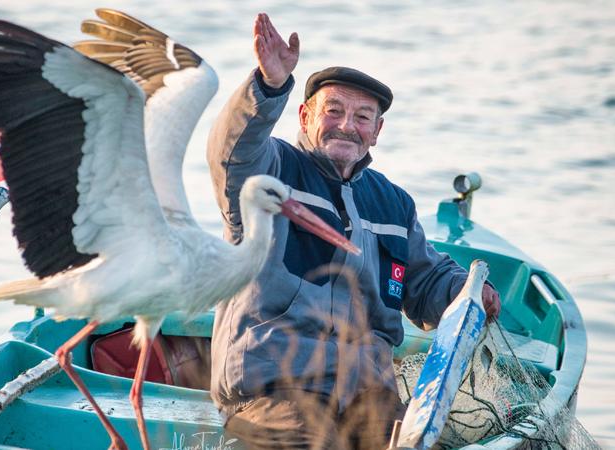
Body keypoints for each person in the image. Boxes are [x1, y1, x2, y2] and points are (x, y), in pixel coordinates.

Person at [207, 13, 501, 450]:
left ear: (377, 132)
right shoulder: (272, 170)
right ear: (305, 116)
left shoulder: (393, 202)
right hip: (276, 392)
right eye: (334, 111)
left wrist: (467, 292)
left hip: (369, 398)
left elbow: (425, 280)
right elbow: (232, 152)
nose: (348, 125)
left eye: (363, 117)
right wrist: (268, 87)